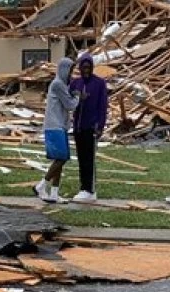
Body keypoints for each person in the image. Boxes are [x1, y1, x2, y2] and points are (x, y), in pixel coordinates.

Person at [36, 57, 78, 203]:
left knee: (60, 159)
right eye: (70, 70)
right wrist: (78, 96)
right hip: (54, 125)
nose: (71, 74)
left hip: (60, 125)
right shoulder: (58, 84)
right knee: (62, 158)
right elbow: (70, 105)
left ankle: (54, 192)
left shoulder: (62, 85)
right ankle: (42, 185)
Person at [68, 53, 108, 202]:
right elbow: (69, 97)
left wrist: (100, 126)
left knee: (89, 159)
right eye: (83, 67)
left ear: (92, 67)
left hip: (91, 126)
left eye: (88, 67)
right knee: (81, 158)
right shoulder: (76, 83)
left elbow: (102, 106)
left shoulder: (99, 83)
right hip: (78, 126)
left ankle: (90, 189)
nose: (86, 70)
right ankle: (83, 187)